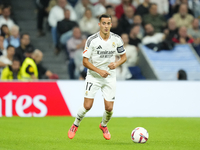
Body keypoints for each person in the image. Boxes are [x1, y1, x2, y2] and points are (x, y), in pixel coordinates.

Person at [68, 14, 127, 140]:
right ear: (99, 24)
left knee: (109, 108)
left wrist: (116, 64)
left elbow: (124, 57)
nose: (106, 26)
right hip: (94, 76)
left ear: (111, 24)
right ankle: (75, 124)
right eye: (104, 23)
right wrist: (99, 71)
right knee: (87, 106)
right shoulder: (92, 40)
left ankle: (103, 125)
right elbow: (85, 62)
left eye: (108, 23)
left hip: (109, 77)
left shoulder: (116, 39)